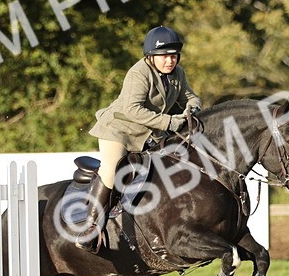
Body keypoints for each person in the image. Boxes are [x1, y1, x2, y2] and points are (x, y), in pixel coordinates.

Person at [80, 25, 202, 251]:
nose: (170, 60)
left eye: (173, 55)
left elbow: (191, 97)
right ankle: (89, 228)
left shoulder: (178, 74)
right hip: (118, 130)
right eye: (164, 56)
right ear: (151, 57)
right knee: (111, 169)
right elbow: (133, 110)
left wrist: (193, 109)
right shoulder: (138, 73)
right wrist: (169, 122)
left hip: (147, 134)